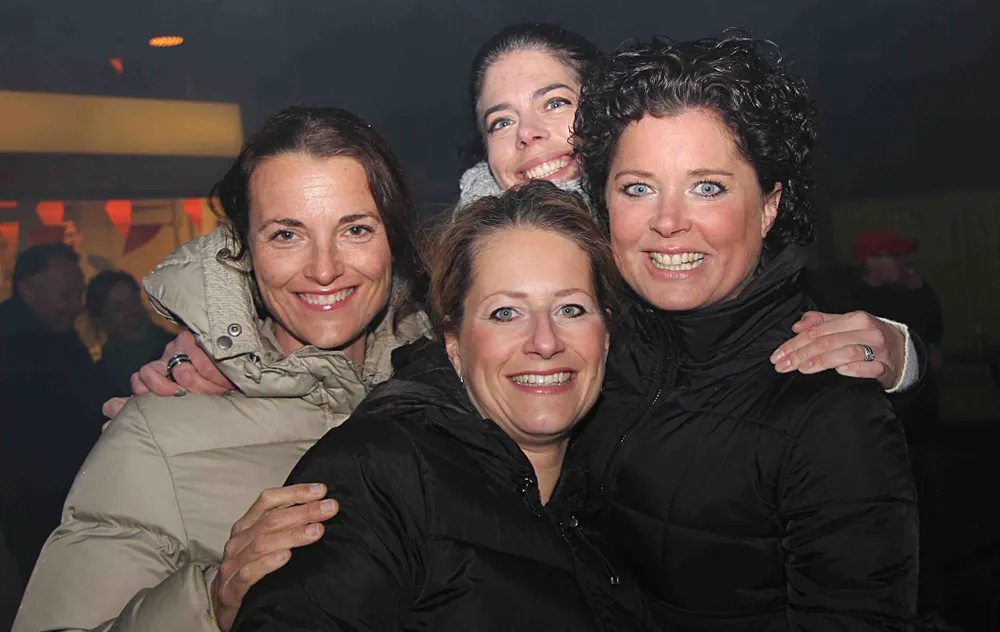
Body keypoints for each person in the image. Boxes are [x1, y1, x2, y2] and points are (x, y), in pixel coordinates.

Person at [115, 23, 923, 612]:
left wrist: (902, 347)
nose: (529, 134)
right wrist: (239, 347)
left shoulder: (792, 378)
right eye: (499, 119)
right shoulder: (463, 281)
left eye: (554, 103)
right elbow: (389, 347)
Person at [13, 106, 432, 632]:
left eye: (355, 229)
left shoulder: (457, 396)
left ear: (393, 240)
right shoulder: (158, 433)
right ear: (244, 250)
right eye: (286, 235)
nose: (324, 269)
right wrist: (212, 601)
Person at [566, 35, 918, 629]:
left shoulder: (829, 407)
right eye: (638, 187)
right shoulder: (591, 344)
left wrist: (908, 354)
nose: (668, 221)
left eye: (708, 187)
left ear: (770, 205)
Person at [232, 181, 656, 631]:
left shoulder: (610, 499)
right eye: (505, 313)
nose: (545, 342)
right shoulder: (380, 472)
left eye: (570, 309)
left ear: (605, 335)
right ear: (454, 343)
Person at [0, 242, 107, 583]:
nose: (77, 305)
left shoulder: (58, 338)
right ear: (28, 290)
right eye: (67, 295)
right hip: (36, 508)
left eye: (79, 293)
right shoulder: (15, 349)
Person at [86, 270, 175, 396]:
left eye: (134, 301)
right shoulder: (97, 381)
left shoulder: (177, 351)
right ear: (99, 321)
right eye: (118, 309)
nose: (132, 313)